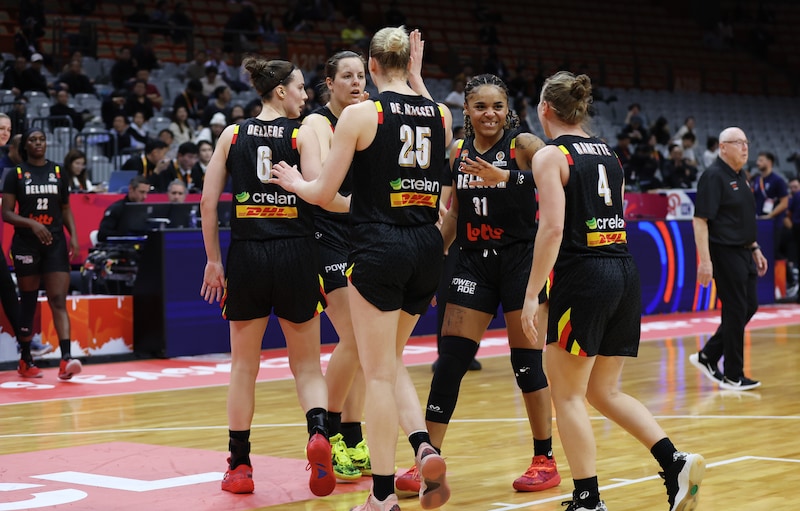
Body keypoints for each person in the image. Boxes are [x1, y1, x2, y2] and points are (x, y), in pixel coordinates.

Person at [269, 27, 453, 511]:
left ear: (371, 67)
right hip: (428, 245)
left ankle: (382, 496)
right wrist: (417, 78)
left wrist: (294, 182)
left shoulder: (360, 114)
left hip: (379, 246)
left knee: (378, 376)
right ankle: (424, 446)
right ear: (407, 64)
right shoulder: (440, 113)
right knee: (391, 360)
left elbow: (323, 193)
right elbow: (432, 119)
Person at [519, 71, 704, 511]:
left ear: (544, 109)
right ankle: (674, 461)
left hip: (583, 277)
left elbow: (553, 229)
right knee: (604, 391)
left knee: (566, 394)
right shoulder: (611, 154)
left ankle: (587, 499)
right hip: (622, 271)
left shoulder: (550, 155)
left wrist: (530, 293)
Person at [399, 73, 561, 497]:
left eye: (497, 107)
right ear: (467, 111)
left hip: (520, 264)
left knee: (526, 365)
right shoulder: (458, 150)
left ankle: (544, 459)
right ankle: (427, 459)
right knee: (450, 362)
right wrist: (431, 260)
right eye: (481, 106)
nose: (490, 114)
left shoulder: (524, 146)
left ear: (508, 111)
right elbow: (454, 214)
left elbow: (561, 178)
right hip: (472, 263)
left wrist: (506, 177)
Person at [199, 56, 338, 498]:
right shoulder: (302, 134)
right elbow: (321, 193)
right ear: (280, 90)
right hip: (297, 253)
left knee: (244, 366)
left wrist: (214, 262)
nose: (305, 95)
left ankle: (240, 465)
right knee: (307, 367)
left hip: (248, 255)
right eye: (299, 87)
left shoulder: (232, 134)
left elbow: (207, 203)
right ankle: (318, 433)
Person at [301, 49, 370, 483]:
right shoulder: (316, 124)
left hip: (362, 238)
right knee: (356, 338)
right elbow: (323, 193)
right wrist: (371, 207)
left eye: (361, 75)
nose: (356, 83)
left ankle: (353, 436)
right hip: (326, 239)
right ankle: (327, 432)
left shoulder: (368, 119)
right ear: (329, 83)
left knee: (365, 347)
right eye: (347, 76)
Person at [690, 128, 768, 391]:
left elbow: (739, 218)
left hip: (745, 251)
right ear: (723, 147)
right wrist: (705, 261)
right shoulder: (713, 176)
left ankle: (708, 355)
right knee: (735, 309)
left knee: (749, 306)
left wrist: (755, 247)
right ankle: (734, 375)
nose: (745, 148)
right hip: (725, 252)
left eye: (746, 142)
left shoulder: (740, 175)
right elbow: (700, 220)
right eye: (738, 143)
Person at [2, 128, 82, 380]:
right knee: (28, 300)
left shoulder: (58, 171)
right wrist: (32, 224)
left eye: (42, 139)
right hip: (26, 244)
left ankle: (66, 359)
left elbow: (65, 208)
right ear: (25, 146)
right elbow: (6, 213)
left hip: (55, 242)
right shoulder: (15, 174)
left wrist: (74, 236)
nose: (38, 143)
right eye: (33, 140)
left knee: (58, 299)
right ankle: (25, 359)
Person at [97, 175, 150, 241]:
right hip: (118, 245)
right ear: (131, 189)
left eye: (146, 193)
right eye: (141, 192)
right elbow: (102, 235)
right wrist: (124, 236)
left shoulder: (145, 210)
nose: (145, 197)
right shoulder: (116, 209)